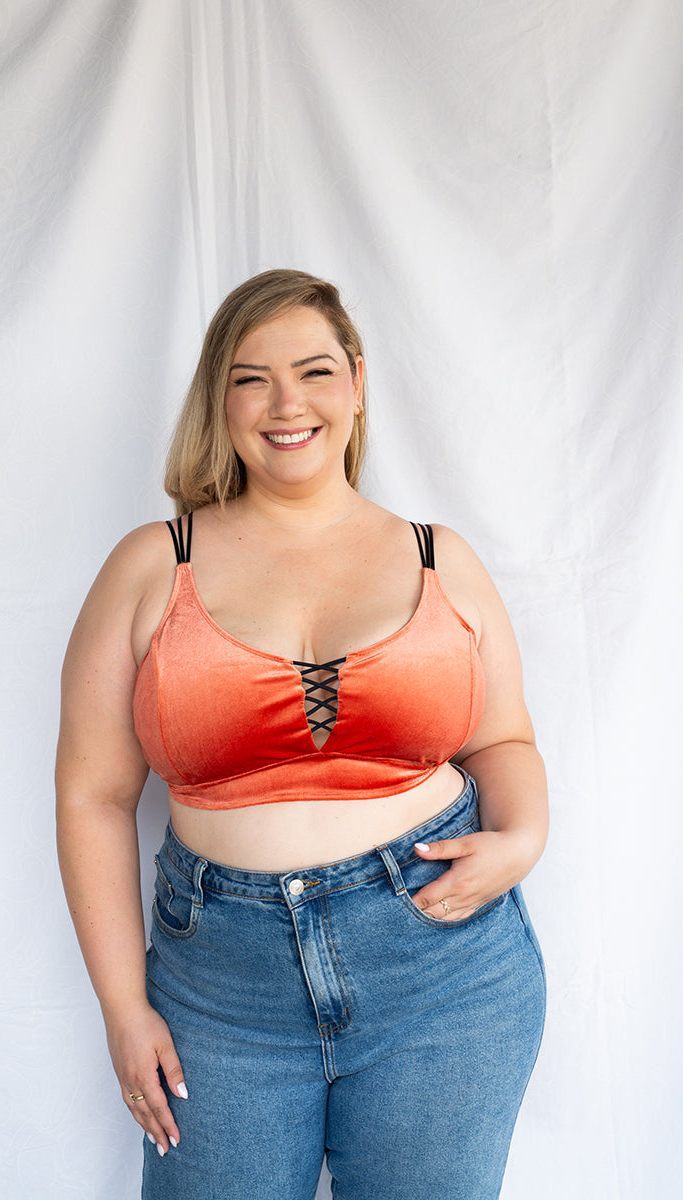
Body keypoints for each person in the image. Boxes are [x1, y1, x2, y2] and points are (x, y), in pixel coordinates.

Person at [55, 268, 547, 1200]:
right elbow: (93, 795)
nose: (287, 404)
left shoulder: (439, 556)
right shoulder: (153, 565)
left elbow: (505, 742)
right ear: (221, 401)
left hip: (444, 972)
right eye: (252, 379)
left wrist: (523, 838)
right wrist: (122, 1006)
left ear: (356, 383)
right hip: (218, 994)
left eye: (315, 371)